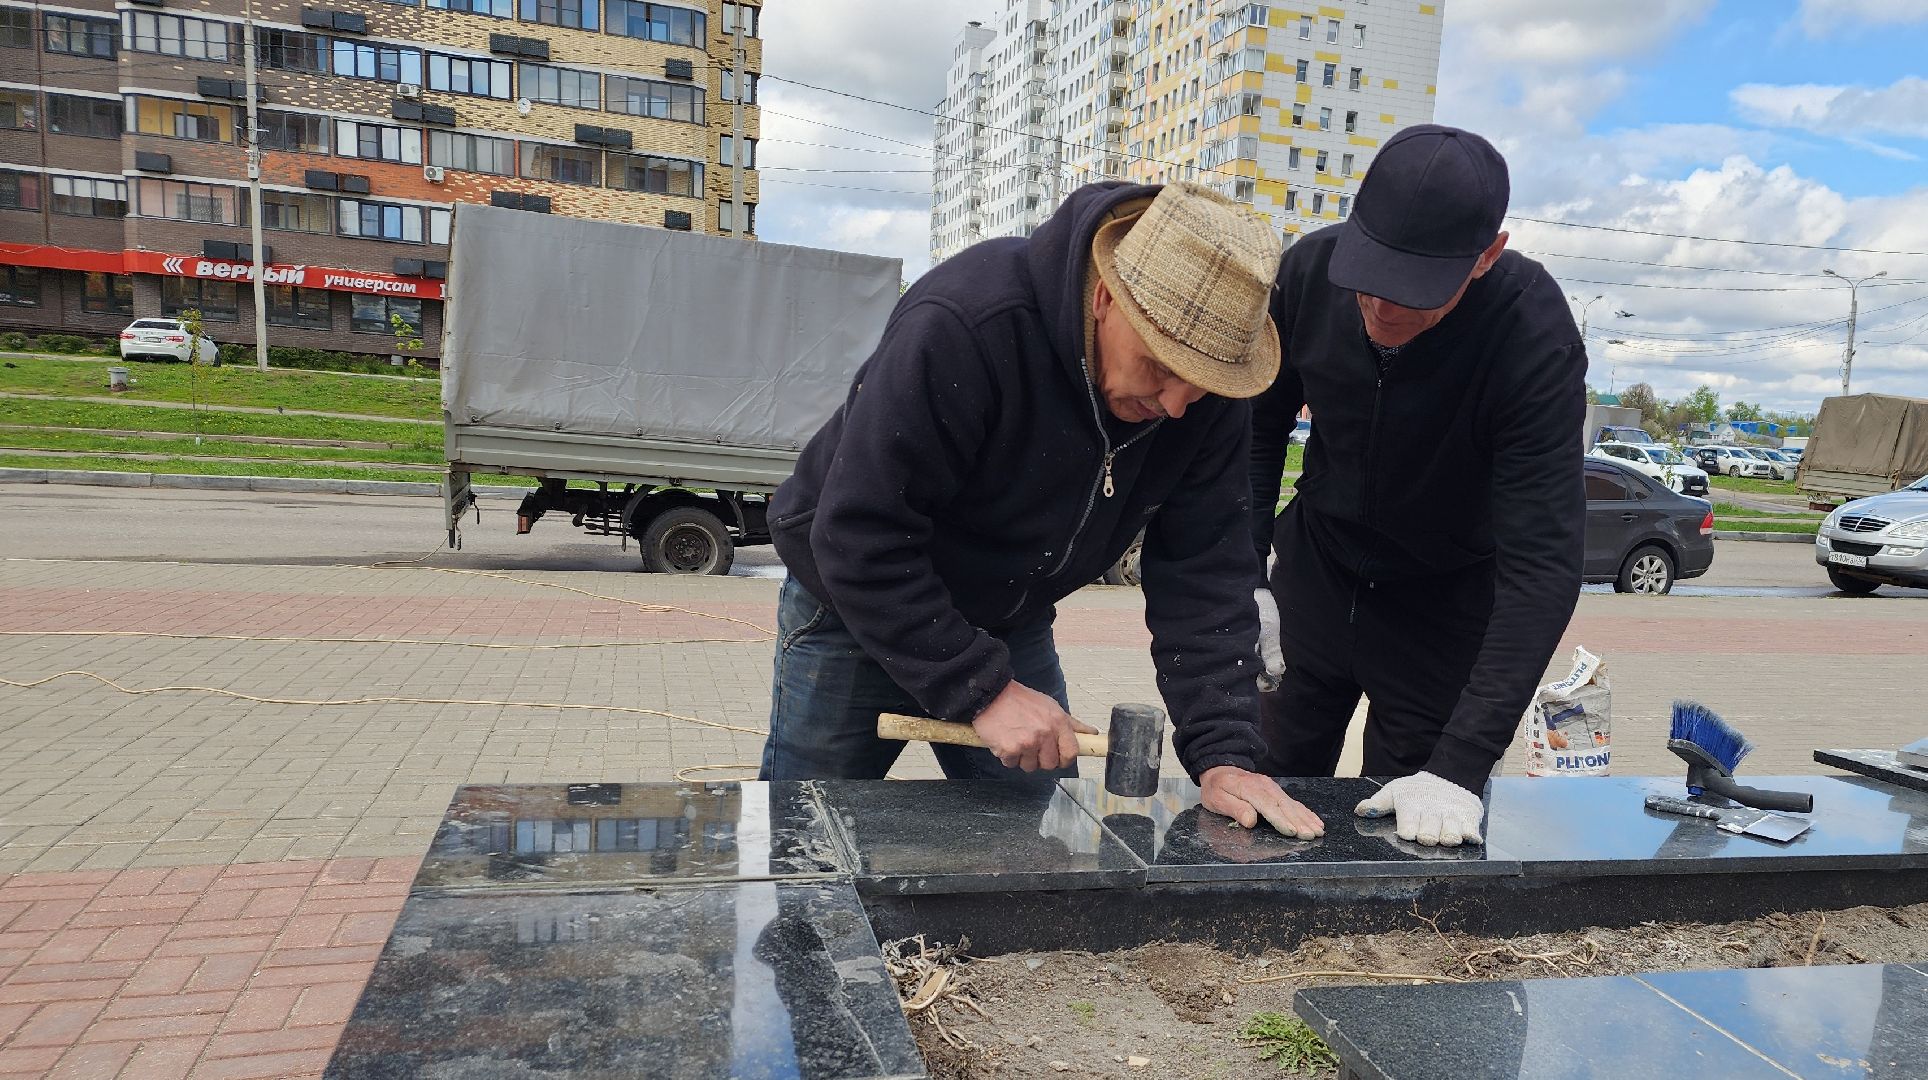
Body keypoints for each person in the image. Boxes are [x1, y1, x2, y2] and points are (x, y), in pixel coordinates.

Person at [759, 181, 1323, 841]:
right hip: (854, 603)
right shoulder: (967, 323)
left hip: (1007, 616)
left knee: (1042, 840)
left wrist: (1226, 753)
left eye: (1198, 388)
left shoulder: (1208, 391)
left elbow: (1205, 571)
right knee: (802, 841)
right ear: (1106, 298)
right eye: (1158, 368)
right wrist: (982, 690)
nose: (1176, 406)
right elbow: (860, 533)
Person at [1249, 125, 1588, 847]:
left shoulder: (1531, 330)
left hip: (1444, 602)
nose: (1382, 307)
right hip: (1317, 573)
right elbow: (1250, 437)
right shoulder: (1307, 274)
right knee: (1265, 792)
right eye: (1370, 277)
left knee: (1412, 831)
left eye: (1414, 290)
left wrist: (1461, 764)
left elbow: (1543, 562)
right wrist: (1244, 576)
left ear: (1486, 256)